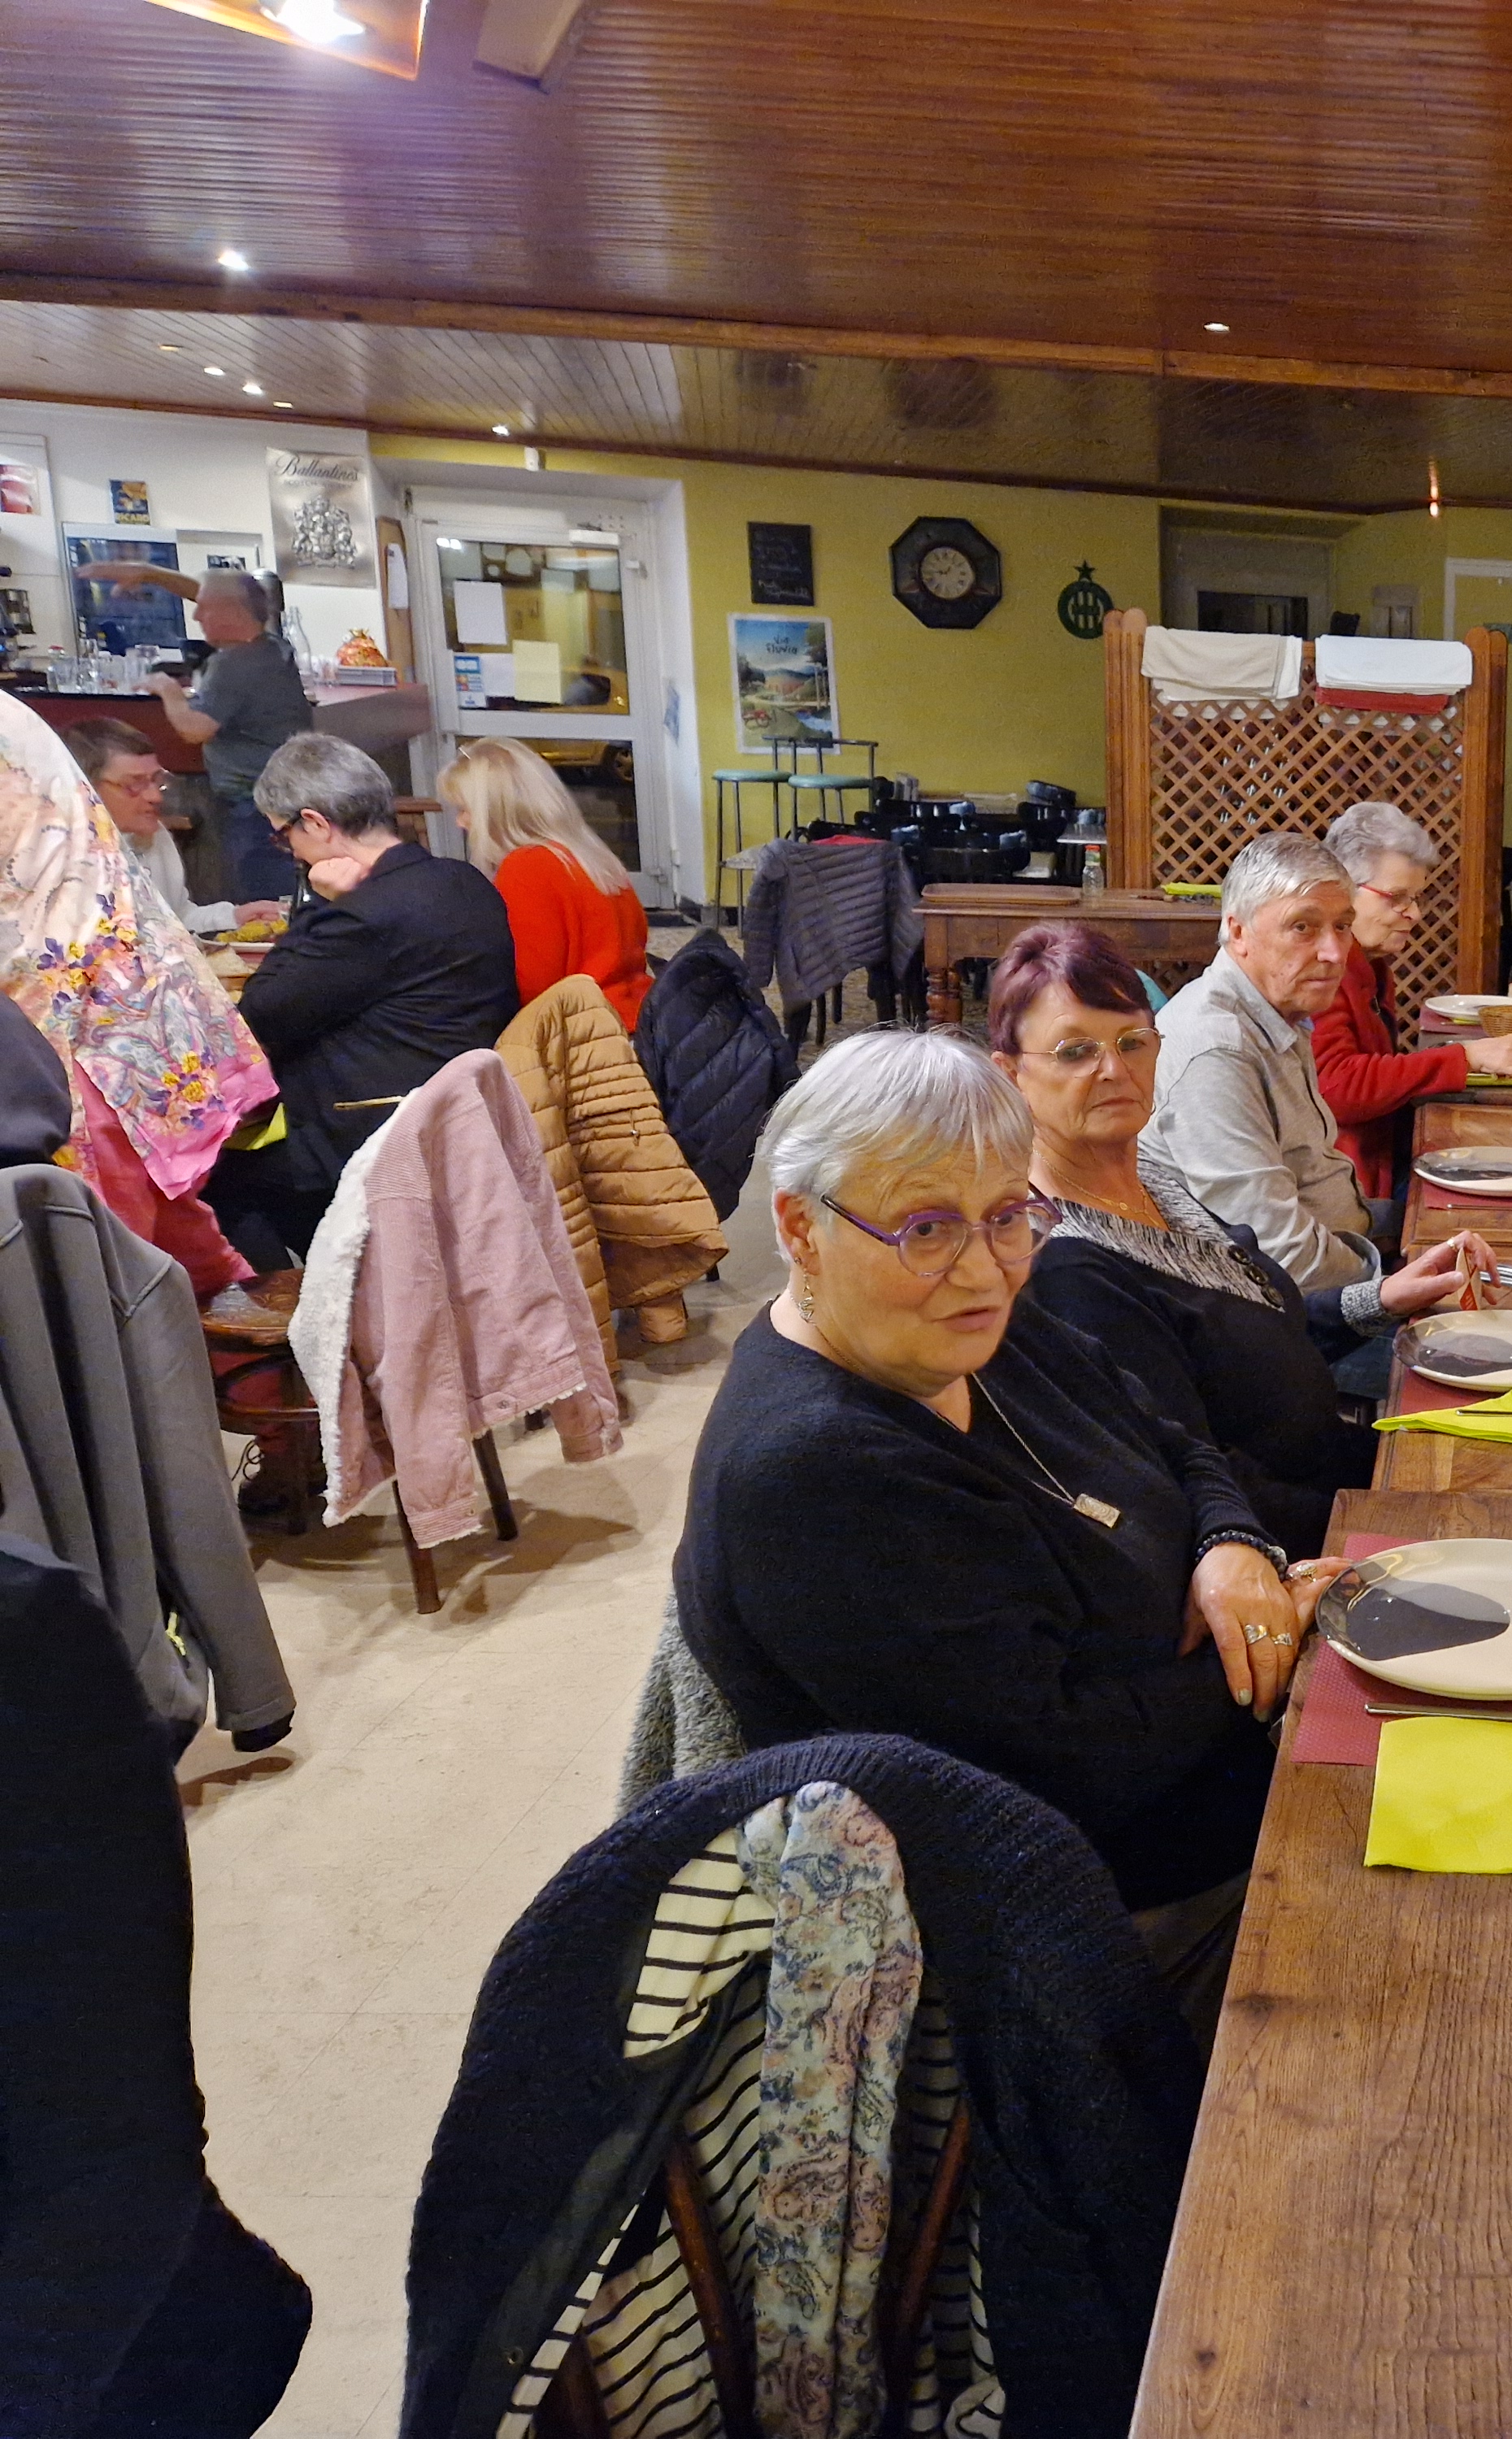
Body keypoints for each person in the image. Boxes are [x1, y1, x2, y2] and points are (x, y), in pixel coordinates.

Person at [674, 1028, 1337, 2037]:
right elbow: (1061, 1768)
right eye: (926, 1228)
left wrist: (1229, 1548)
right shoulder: (816, 1472)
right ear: (800, 1231)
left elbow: (1175, 1441)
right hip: (1093, 1927)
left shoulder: (971, 1325)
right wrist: (1268, 1644)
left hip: (1231, 1779)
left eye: (1007, 1216)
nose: (984, 1269)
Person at [993, 921, 1499, 1552]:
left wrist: (1381, 1299)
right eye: (1074, 1051)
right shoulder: (1068, 1268)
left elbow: (1252, 1323)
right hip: (1301, 1528)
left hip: (1340, 1462)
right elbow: (1192, 1482)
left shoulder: (1149, 1172)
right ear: (1010, 1072)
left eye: (1132, 1041)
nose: (1112, 1070)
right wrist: (1382, 1522)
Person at [202, 734, 518, 1267]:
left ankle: (310, 1322)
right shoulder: (464, 881)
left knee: (210, 1179)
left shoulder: (359, 915)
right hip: (459, 1118)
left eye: (286, 838)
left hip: (371, 1134)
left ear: (317, 824)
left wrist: (316, 905)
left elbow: (257, 1019)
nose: (292, 853)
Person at [0, 692, 272, 1300]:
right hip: (119, 1030)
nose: (153, 796)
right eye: (136, 783)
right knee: (172, 1243)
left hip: (75, 1040)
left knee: (110, 1273)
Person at [1145, 832, 1384, 1298]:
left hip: (1342, 1251)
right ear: (1239, 933)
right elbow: (1280, 1256)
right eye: (1303, 927)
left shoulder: (1277, 1008)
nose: (1336, 953)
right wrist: (1389, 1289)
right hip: (1282, 1311)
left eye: (1342, 926)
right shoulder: (1217, 1052)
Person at [1310, 800, 1512, 1197]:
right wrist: (1463, 1058)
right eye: (1396, 897)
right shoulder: (1325, 969)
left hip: (1383, 1159)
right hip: (1352, 1188)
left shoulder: (1372, 962)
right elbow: (1335, 1088)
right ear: (1342, 888)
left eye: (1415, 898)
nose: (1413, 913)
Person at [85, 567, 312, 902]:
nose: (196, 614)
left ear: (232, 613)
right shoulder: (270, 646)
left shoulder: (234, 664)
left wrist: (166, 688)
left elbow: (194, 730)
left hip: (255, 806)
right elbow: (218, 595)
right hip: (284, 795)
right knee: (284, 892)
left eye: (205, 608)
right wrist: (151, 574)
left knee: (265, 898)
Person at [440, 735, 652, 1029]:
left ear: (497, 812)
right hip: (634, 1018)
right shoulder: (590, 854)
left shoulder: (527, 867)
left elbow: (531, 991)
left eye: (465, 809)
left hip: (586, 1036)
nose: (460, 822)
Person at [60, 718, 282, 937]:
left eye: (157, 780)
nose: (155, 796)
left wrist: (235, 917)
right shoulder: (61, 856)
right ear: (85, 787)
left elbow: (176, 918)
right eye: (134, 784)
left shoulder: (156, 837)